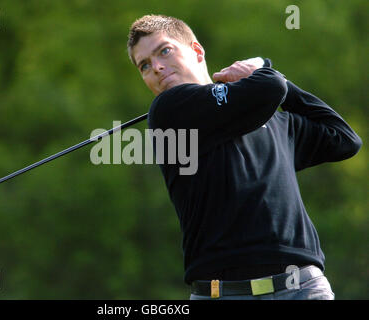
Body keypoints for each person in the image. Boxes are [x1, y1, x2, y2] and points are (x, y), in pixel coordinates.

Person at [127, 14, 362, 300]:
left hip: (302, 288)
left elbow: (343, 138)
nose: (157, 67)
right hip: (222, 293)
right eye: (145, 66)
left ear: (197, 51)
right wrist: (261, 67)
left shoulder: (275, 121)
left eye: (164, 51)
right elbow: (269, 87)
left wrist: (284, 88)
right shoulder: (168, 110)